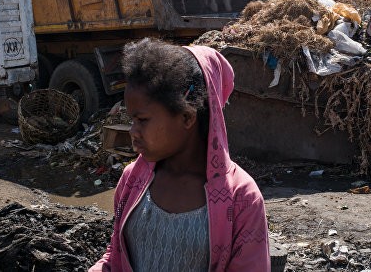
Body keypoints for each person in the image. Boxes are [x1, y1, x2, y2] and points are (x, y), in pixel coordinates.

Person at [90, 38, 270, 271]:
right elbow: (116, 255)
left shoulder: (241, 198)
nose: (133, 131)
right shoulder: (132, 180)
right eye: (131, 120)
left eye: (142, 120)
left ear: (187, 117)